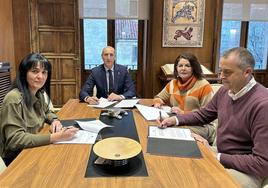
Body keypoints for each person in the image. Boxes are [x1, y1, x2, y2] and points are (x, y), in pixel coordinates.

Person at [159, 47, 268, 188]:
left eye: (227, 72)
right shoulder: (225, 91)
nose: (220, 76)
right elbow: (204, 115)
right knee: (178, 165)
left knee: (195, 181)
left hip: (247, 170)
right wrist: (175, 120)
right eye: (220, 70)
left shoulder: (262, 105)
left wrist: (216, 156)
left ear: (247, 72)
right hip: (223, 154)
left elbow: (262, 163)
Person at [0, 53, 79, 166]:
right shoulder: (14, 98)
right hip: (17, 158)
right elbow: (15, 140)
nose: (40, 76)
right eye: (35, 71)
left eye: (44, 72)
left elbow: (47, 112)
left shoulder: (39, 93)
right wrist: (57, 137)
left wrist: (54, 120)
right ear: (24, 73)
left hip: (34, 149)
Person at [153, 52, 215, 143]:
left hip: (202, 126)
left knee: (172, 132)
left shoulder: (204, 85)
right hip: (179, 121)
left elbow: (207, 115)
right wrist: (158, 102)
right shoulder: (173, 83)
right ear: (176, 68)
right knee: (160, 127)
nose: (183, 68)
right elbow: (159, 97)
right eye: (180, 65)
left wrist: (183, 113)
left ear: (194, 68)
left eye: (187, 65)